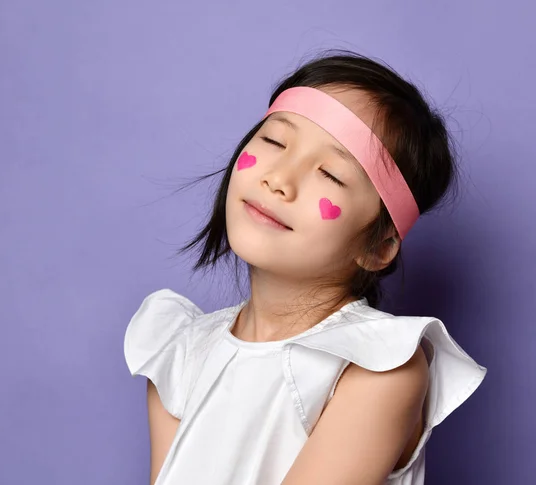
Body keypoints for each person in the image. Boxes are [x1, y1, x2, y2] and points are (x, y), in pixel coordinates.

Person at [123, 50, 487, 485]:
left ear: (379, 247)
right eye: (275, 142)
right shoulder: (181, 351)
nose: (279, 178)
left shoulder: (380, 368)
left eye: (330, 174)